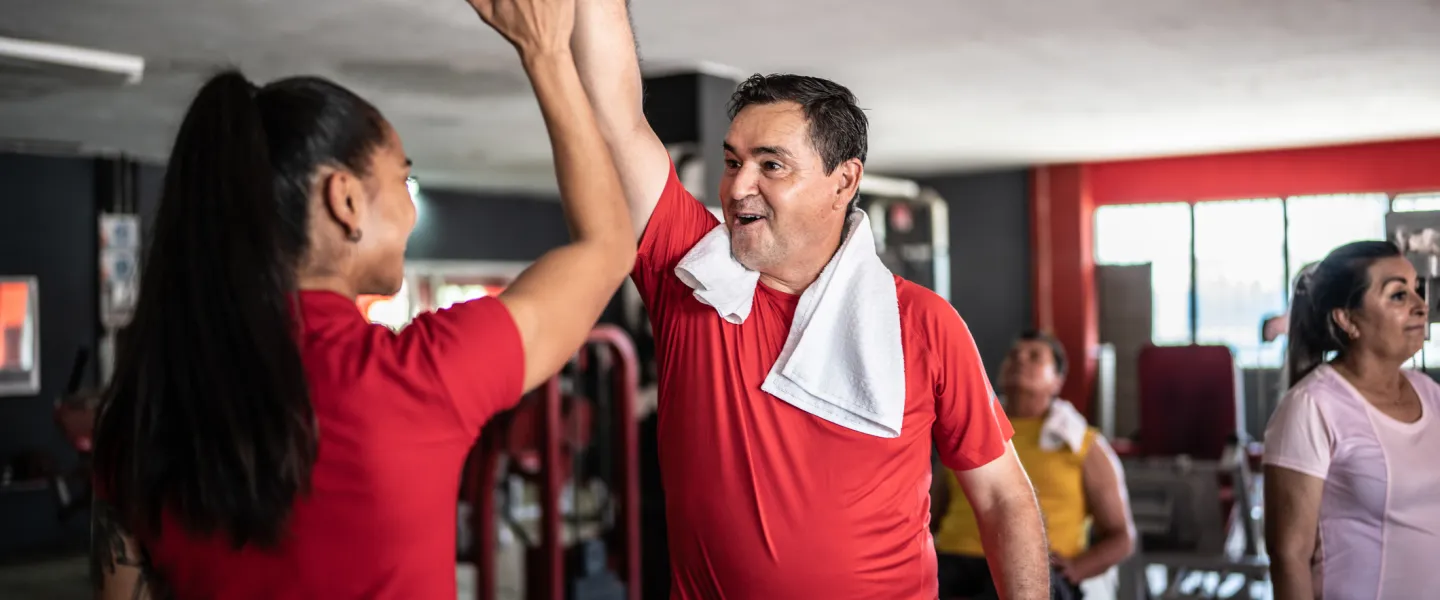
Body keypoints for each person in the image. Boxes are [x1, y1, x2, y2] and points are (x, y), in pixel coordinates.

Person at [89, 0, 633, 596]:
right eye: (404, 177)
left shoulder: (139, 415)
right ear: (344, 201)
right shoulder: (416, 378)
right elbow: (608, 248)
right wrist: (547, 53)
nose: (407, 206)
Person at [570, 3, 1051, 598]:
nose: (738, 186)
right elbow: (617, 115)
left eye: (771, 164)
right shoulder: (688, 279)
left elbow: (1003, 495)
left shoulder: (922, 323)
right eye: (731, 162)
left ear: (844, 180)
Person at [1264, 241, 1440, 600]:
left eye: (1417, 291)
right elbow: (1289, 557)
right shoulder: (1312, 407)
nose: (1421, 306)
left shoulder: (1429, 393)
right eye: (1397, 295)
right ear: (1347, 319)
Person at [932, 331, 1135, 600]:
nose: (1020, 361)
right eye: (1014, 356)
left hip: (1033, 567)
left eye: (1035, 357)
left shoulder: (1084, 446)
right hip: (952, 562)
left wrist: (1077, 568)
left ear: (1057, 381)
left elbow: (1122, 537)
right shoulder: (968, 432)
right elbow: (929, 513)